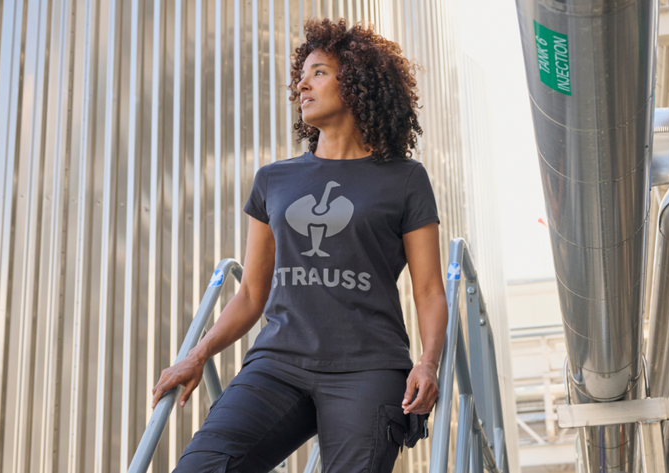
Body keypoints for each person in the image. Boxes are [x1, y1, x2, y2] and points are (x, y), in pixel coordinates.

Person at [151, 17, 447, 473]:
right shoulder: (274, 180)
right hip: (278, 363)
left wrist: (428, 363)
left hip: (368, 369)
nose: (302, 86)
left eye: (319, 72)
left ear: (358, 82)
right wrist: (197, 354)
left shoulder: (405, 180)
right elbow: (251, 293)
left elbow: (429, 290)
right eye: (301, 75)